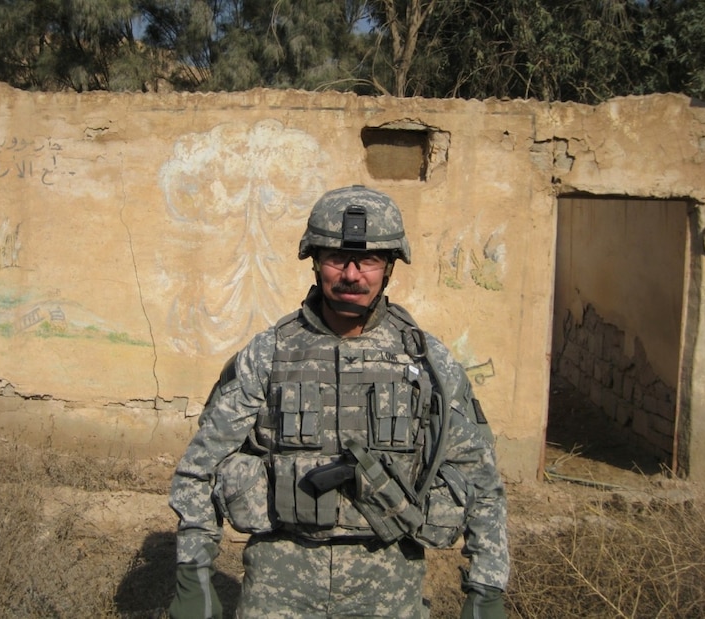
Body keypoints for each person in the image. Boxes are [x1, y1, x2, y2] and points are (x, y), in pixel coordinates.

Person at [168, 185, 509, 619]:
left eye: (368, 260)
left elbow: (480, 477)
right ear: (314, 261)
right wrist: (193, 572)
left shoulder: (428, 362)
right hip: (280, 582)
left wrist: (486, 588)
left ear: (389, 267)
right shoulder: (268, 353)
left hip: (388, 582)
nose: (352, 274)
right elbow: (200, 468)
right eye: (336, 258)